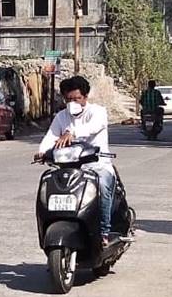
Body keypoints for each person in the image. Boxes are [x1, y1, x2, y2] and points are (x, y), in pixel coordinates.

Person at [35, 75, 118, 242]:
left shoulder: (97, 112)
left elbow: (94, 127)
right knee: (47, 183)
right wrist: (42, 151)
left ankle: (104, 232)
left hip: (97, 165)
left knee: (103, 185)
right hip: (69, 167)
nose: (73, 103)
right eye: (69, 99)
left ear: (85, 97)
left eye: (77, 98)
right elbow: (51, 136)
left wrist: (72, 133)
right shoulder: (61, 117)